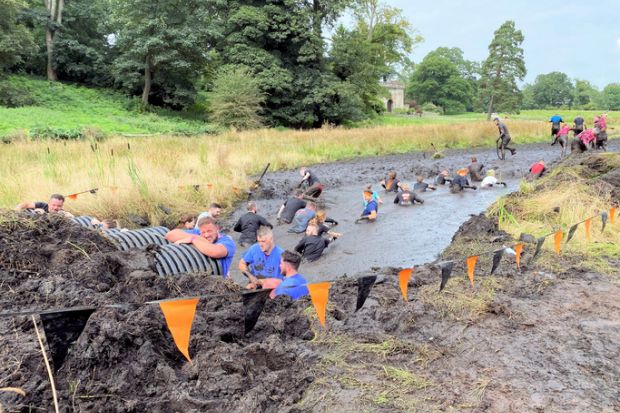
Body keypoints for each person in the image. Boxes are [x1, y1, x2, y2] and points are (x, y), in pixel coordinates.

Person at [165, 216, 236, 277]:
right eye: (203, 232)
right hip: (198, 277)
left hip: (220, 280)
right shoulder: (198, 232)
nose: (206, 235)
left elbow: (215, 252)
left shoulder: (227, 241)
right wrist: (197, 237)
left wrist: (193, 239)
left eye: (209, 231)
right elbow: (169, 235)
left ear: (217, 228)